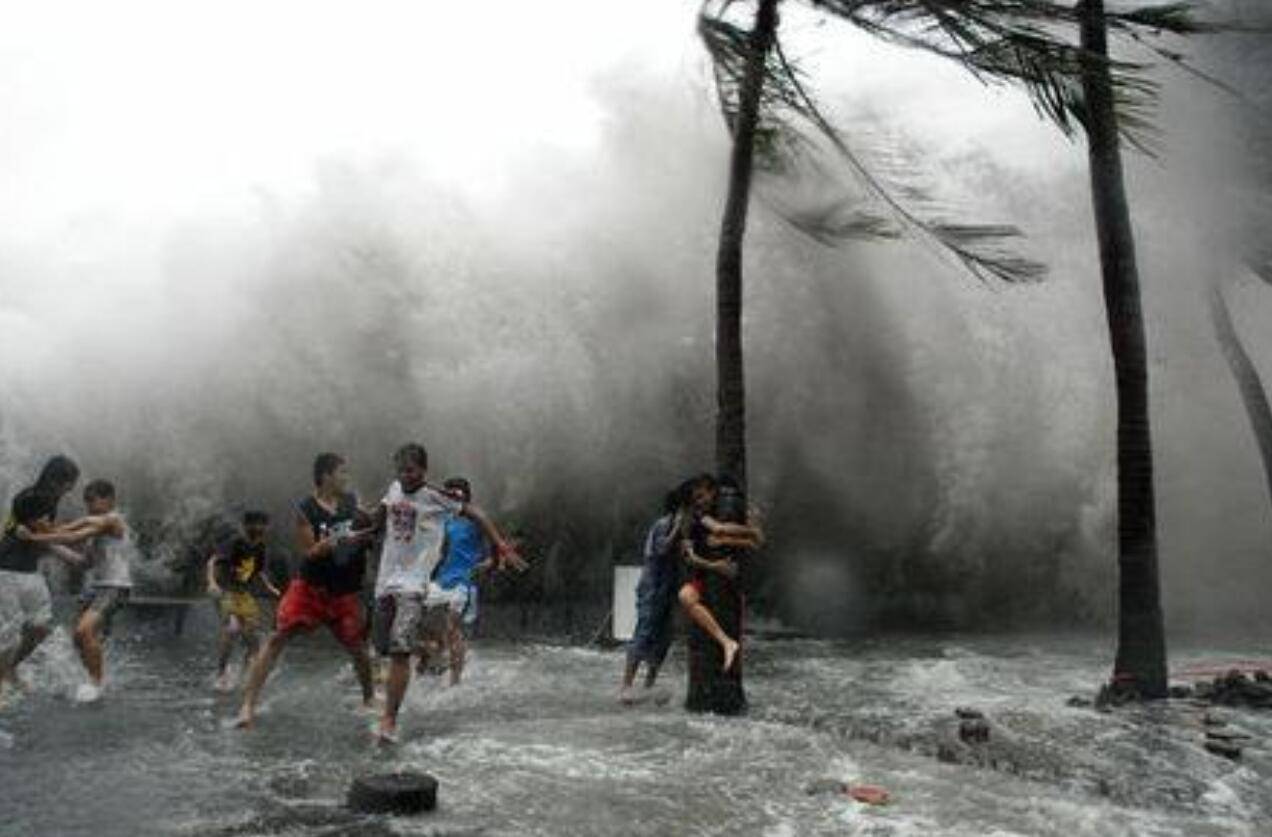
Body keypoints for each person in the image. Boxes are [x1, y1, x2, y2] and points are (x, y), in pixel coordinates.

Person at [369, 443, 520, 743]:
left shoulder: (437, 499)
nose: (405, 475)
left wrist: (499, 548)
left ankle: (391, 718)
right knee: (384, 645)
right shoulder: (396, 489)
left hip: (423, 584)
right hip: (390, 582)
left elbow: (476, 513)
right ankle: (425, 656)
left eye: (411, 470)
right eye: (400, 470)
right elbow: (380, 518)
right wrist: (360, 527)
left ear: (423, 470)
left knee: (413, 642)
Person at [236, 453, 378, 728]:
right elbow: (310, 551)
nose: (346, 478)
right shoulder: (306, 509)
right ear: (325, 476)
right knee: (277, 638)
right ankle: (247, 706)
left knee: (358, 647)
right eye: (342, 473)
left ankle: (369, 699)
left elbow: (369, 522)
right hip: (310, 588)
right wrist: (336, 540)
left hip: (343, 590)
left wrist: (368, 527)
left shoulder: (350, 501)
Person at [425, 476, 526, 686]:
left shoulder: (476, 520)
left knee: (453, 626)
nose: (450, 496)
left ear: (464, 495)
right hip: (443, 580)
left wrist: (490, 564)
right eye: (447, 492)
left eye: (455, 493)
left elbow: (496, 547)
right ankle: (434, 658)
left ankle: (455, 681)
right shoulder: (448, 520)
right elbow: (443, 551)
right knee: (417, 613)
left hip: (465, 581)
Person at [0, 486, 86, 702]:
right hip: (7, 578)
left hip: (31, 578)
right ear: (29, 518)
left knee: (40, 629)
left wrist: (76, 558)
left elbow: (55, 542)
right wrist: (73, 556)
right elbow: (56, 542)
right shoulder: (15, 532)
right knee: (9, 634)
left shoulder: (35, 531)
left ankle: (10, 669)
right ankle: (5, 676)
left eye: (48, 516)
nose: (48, 520)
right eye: (43, 516)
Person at [618, 478, 697, 704]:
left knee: (664, 638)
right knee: (644, 633)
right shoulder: (663, 525)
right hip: (653, 587)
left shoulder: (685, 531)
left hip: (669, 588)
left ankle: (649, 686)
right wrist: (676, 530)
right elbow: (661, 549)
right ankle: (626, 686)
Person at [677, 476, 764, 674]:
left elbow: (747, 541)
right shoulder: (698, 517)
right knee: (685, 596)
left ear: (712, 492)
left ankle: (728, 643)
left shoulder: (719, 513)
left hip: (719, 576)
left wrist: (751, 532)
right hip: (704, 573)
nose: (700, 501)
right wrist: (751, 531)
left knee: (687, 596)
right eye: (696, 499)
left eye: (702, 496)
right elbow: (716, 531)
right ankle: (726, 642)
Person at [207, 510, 280, 692]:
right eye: (254, 524)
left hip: (244, 595)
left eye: (262, 524)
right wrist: (212, 582)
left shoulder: (261, 547)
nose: (259, 528)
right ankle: (221, 674)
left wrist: (269, 587)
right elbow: (213, 561)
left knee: (252, 639)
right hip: (226, 591)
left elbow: (259, 571)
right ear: (245, 526)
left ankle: (245, 675)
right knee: (232, 629)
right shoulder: (235, 543)